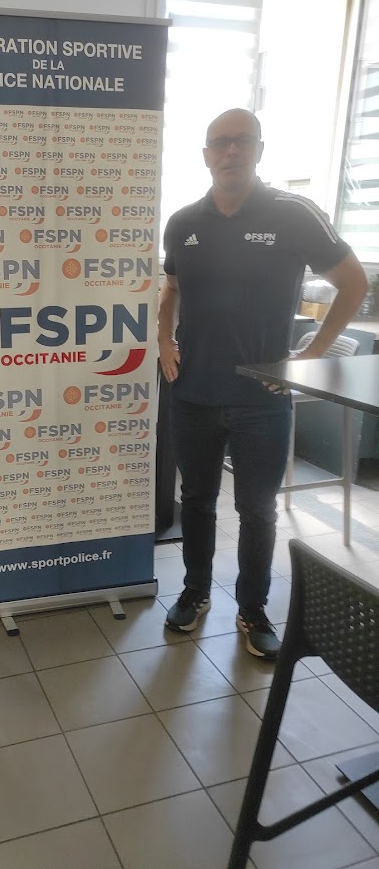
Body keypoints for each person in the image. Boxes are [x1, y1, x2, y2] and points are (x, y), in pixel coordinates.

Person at [158, 108, 367, 658]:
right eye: (220, 142)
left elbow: (353, 283)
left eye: (242, 141)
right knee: (196, 500)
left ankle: (253, 610)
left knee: (257, 510)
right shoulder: (182, 222)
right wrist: (163, 339)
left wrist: (310, 356)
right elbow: (171, 288)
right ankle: (196, 592)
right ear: (206, 154)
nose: (231, 151)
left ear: (258, 150)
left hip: (262, 399)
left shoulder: (293, 214)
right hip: (193, 393)